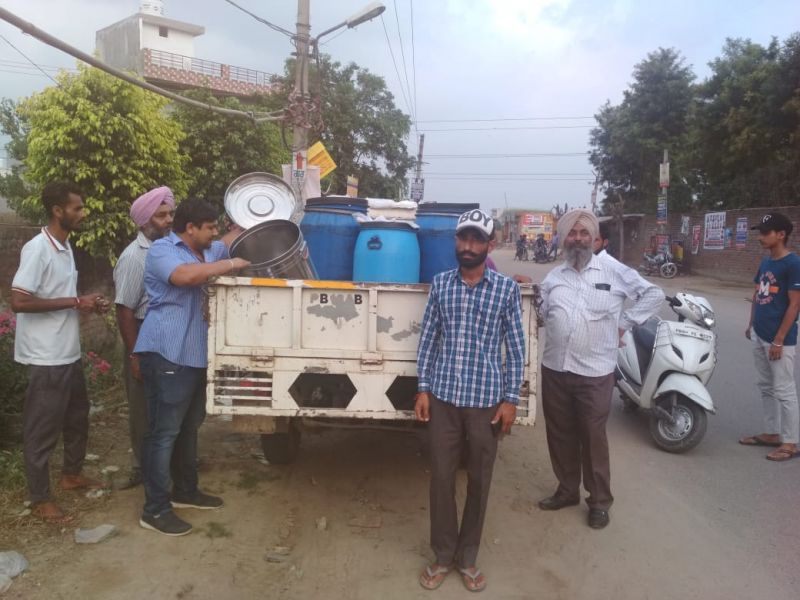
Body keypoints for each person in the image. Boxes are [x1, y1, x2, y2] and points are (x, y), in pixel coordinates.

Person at [415, 208, 526, 592]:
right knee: (441, 479)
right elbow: (428, 339)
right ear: (456, 242)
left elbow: (515, 347)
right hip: (444, 399)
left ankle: (468, 557)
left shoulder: (507, 290)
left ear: (489, 245)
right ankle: (443, 555)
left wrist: (511, 399)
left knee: (479, 480)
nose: (468, 246)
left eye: (477, 239)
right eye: (463, 238)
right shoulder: (441, 284)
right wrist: (423, 388)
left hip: (485, 404)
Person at [538, 209, 663, 529]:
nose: (578, 239)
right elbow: (541, 315)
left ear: (594, 238)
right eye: (572, 233)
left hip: (594, 372)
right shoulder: (554, 277)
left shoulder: (613, 269)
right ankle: (567, 490)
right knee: (560, 434)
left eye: (584, 233)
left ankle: (599, 501)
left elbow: (653, 294)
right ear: (563, 238)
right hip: (555, 368)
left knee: (592, 437)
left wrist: (625, 323)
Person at [134, 199, 249, 536]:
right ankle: (154, 509)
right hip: (167, 351)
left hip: (196, 353)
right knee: (163, 431)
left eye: (216, 227)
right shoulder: (162, 251)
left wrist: (253, 219)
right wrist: (229, 265)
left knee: (189, 427)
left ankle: (185, 491)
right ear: (190, 229)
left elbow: (230, 243)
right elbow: (183, 277)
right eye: (209, 227)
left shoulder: (209, 250)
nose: (215, 233)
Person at [10, 181, 110, 523]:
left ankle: (71, 475)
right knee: (42, 429)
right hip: (45, 356)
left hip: (67, 352)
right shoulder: (37, 249)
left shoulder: (65, 247)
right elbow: (19, 301)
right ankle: (40, 498)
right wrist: (73, 301)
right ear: (57, 211)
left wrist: (88, 306)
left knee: (77, 418)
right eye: (77, 208)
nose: (82, 213)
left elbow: (62, 298)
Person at [113, 187, 175, 489]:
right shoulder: (134, 258)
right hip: (141, 336)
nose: (168, 220)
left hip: (164, 339)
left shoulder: (167, 250)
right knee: (142, 408)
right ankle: (142, 467)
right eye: (161, 215)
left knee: (165, 404)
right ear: (143, 221)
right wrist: (134, 354)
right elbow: (124, 310)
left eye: (170, 214)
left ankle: (165, 463)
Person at [739, 213, 800, 461]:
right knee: (766, 387)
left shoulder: (793, 264)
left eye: (766, 232)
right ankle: (772, 433)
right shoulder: (765, 262)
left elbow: (794, 305)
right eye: (760, 232)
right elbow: (758, 293)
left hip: (779, 340)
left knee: (784, 390)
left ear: (781, 234)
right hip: (759, 334)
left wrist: (779, 339)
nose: (761, 237)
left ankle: (791, 441)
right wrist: (751, 323)